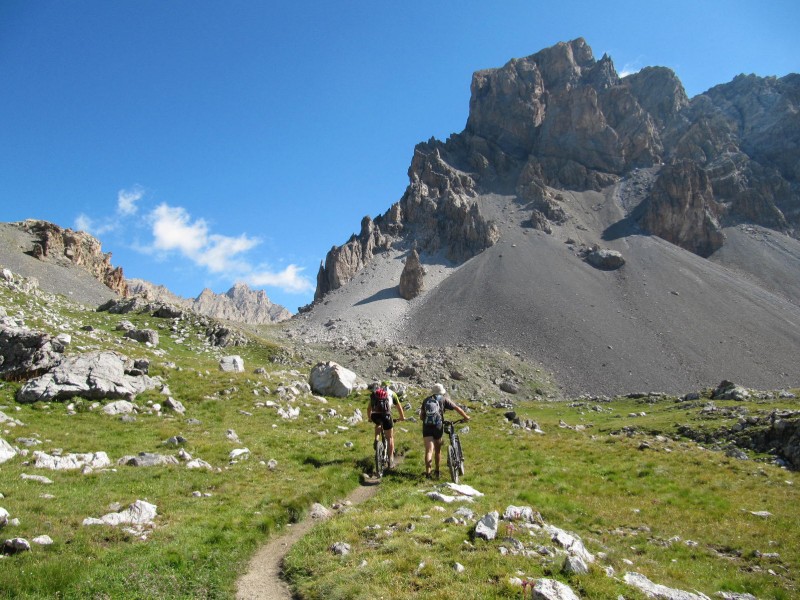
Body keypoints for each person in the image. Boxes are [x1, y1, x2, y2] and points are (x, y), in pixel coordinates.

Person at [419, 383, 470, 479]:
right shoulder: (443, 399)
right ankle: (437, 471)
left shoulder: (426, 400)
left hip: (427, 427)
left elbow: (421, 416)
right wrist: (466, 417)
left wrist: (427, 420)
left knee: (429, 450)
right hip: (438, 426)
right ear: (441, 392)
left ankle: (428, 473)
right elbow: (457, 408)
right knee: (437, 450)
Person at [367, 380, 405, 469]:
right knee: (390, 438)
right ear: (389, 386)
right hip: (386, 416)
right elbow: (399, 407)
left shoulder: (375, 394)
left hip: (375, 415)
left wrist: (369, 418)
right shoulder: (392, 394)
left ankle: (376, 439)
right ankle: (391, 460)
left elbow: (369, 408)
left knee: (378, 424)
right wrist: (401, 418)